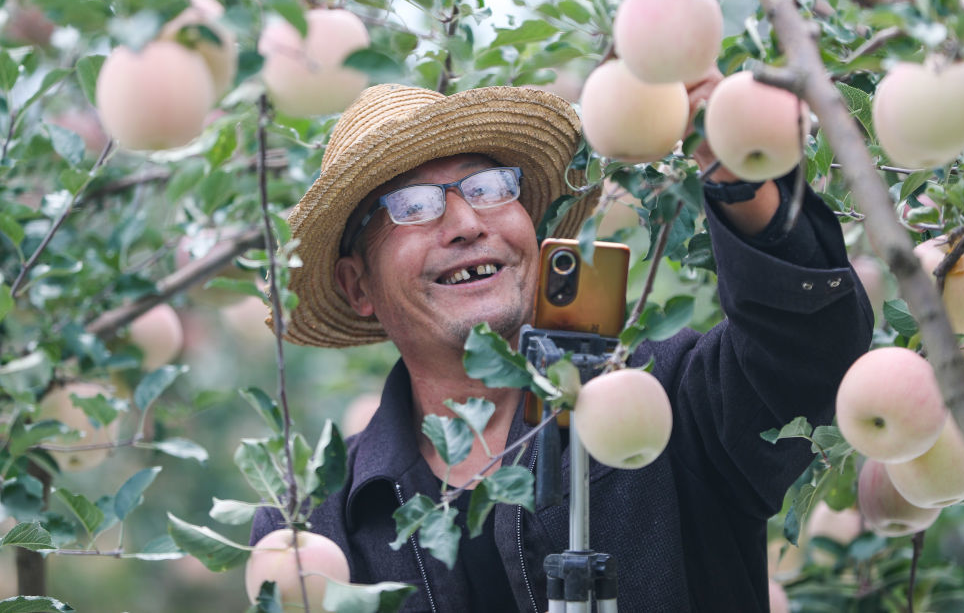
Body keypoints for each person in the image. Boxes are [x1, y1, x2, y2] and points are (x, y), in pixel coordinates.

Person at [250, 80, 874, 612]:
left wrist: (739, 170)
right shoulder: (314, 529)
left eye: (490, 187)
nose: (468, 223)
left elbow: (808, 353)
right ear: (358, 286)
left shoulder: (668, 405)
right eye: (412, 206)